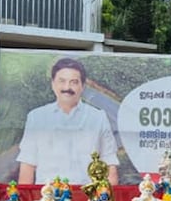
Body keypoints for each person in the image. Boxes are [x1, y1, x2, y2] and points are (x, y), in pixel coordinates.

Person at [17, 57, 119, 186]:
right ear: (53, 84)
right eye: (62, 81)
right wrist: (24, 200)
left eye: (74, 82)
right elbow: (27, 163)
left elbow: (109, 163)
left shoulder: (98, 117)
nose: (67, 87)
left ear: (82, 86)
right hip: (47, 198)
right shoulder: (36, 117)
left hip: (88, 197)